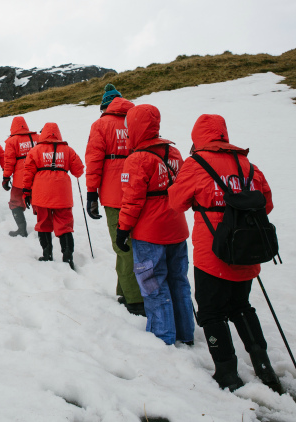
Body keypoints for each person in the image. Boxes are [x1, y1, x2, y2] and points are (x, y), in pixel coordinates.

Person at [169, 114, 281, 393]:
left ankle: (227, 373)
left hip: (213, 252)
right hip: (247, 249)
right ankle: (264, 367)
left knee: (210, 312)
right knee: (241, 306)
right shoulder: (247, 164)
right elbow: (266, 203)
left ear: (198, 137)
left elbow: (176, 202)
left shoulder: (196, 164)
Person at [114, 104, 194, 346]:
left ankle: (162, 336)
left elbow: (132, 201)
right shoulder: (175, 153)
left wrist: (122, 229)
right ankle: (185, 332)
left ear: (136, 127)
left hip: (150, 233)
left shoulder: (136, 159)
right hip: (176, 228)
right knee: (179, 280)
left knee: (152, 284)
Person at [85, 86, 146, 316]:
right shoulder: (138, 121)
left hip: (113, 195)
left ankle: (135, 300)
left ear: (105, 106)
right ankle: (125, 290)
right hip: (140, 191)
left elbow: (93, 160)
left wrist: (92, 193)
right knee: (135, 243)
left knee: (123, 246)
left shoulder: (100, 125)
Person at [22, 122, 84, 269]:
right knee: (65, 225)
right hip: (62, 193)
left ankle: (47, 254)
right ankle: (68, 257)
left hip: (41, 192)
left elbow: (28, 172)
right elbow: (79, 171)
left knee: (43, 223)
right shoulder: (68, 150)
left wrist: (26, 191)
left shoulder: (35, 150)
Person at [2, 116, 37, 237]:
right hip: (37, 177)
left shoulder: (12, 141)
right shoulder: (37, 138)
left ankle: (22, 230)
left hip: (20, 180)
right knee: (39, 204)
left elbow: (9, 162)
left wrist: (6, 178)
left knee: (15, 202)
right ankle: (45, 231)